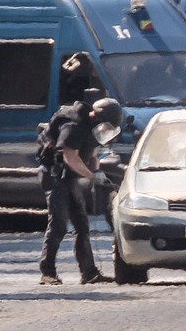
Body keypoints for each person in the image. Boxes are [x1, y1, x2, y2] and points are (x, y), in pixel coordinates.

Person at [38, 98, 123, 285]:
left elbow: (91, 153)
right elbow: (70, 157)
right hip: (55, 177)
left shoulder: (92, 127)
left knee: (82, 226)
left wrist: (97, 170)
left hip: (71, 177)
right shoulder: (74, 125)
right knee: (58, 225)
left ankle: (89, 273)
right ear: (99, 117)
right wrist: (92, 177)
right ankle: (47, 272)